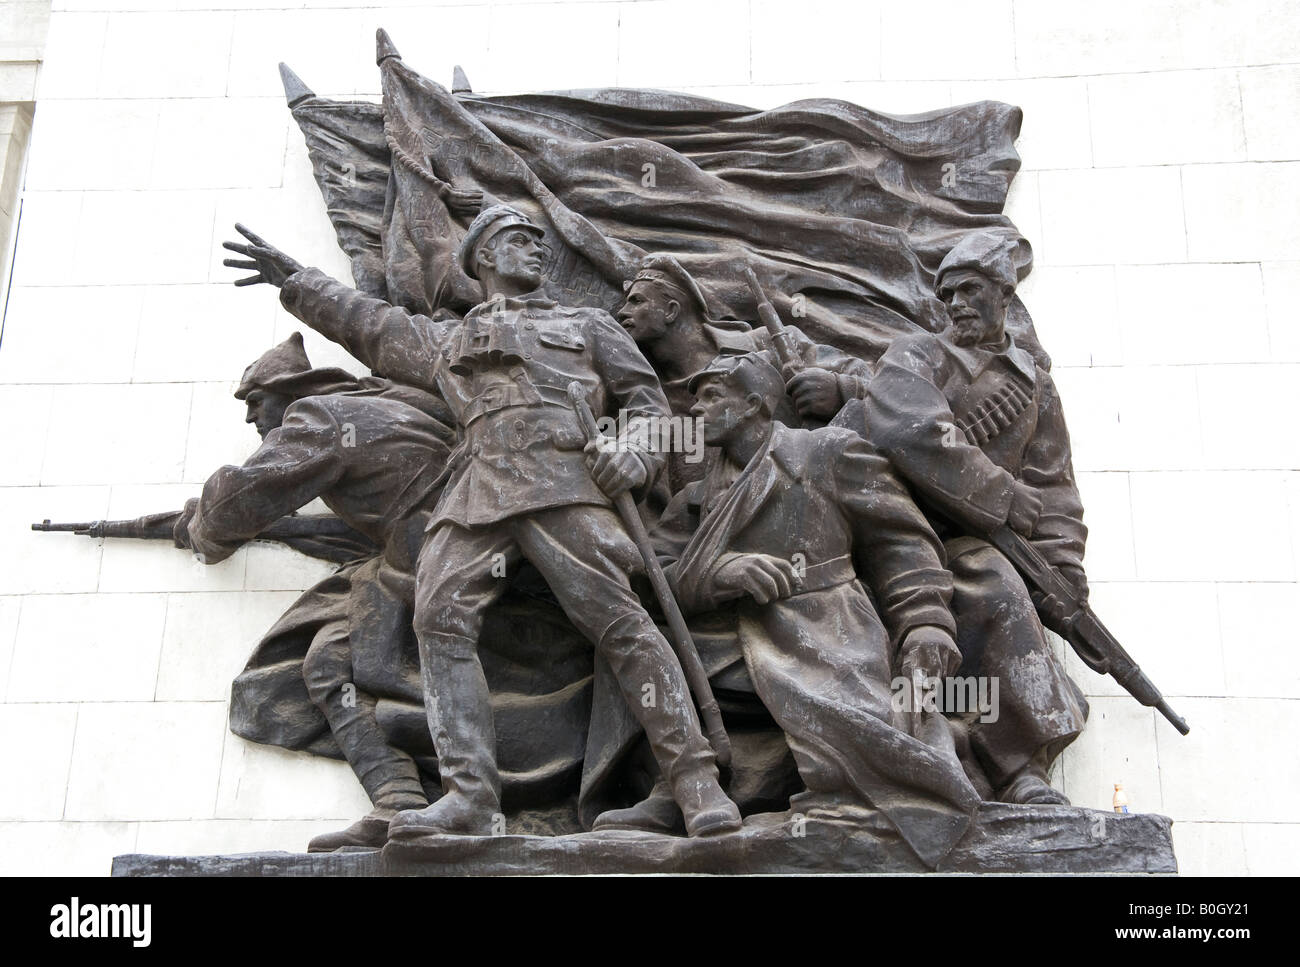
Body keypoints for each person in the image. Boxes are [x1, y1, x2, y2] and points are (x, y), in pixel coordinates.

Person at [221, 207, 742, 839]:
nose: (537, 251)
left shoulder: (588, 324)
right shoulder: (448, 339)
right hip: (475, 493)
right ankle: (469, 794)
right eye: (520, 241)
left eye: (538, 241)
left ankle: (695, 783)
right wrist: (297, 281)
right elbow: (370, 324)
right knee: (439, 618)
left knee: (622, 625)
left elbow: (647, 401)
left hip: (564, 484)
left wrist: (633, 451)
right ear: (485, 258)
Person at [594, 353, 980, 867]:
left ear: (753, 403)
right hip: (726, 637)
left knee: (871, 739)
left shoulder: (829, 453)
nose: (696, 409)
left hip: (823, 628)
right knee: (627, 639)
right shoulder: (696, 495)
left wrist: (927, 620)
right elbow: (652, 575)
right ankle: (681, 782)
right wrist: (715, 574)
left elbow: (901, 544)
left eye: (712, 397)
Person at [174, 332, 455, 850]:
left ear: (293, 391)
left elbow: (239, 500)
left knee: (329, 662)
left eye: (256, 401)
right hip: (466, 543)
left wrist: (200, 529)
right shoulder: (397, 404)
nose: (250, 418)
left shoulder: (318, 419)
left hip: (432, 560)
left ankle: (401, 799)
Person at [856, 230, 1089, 805]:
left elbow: (1053, 485)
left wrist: (1062, 571)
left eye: (970, 291)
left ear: (1003, 294)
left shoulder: (1033, 385)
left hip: (974, 538)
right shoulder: (917, 355)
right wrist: (1002, 496)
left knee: (1003, 587)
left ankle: (1017, 769)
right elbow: (915, 432)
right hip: (900, 527)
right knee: (992, 582)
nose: (957, 304)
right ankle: (986, 764)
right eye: (948, 294)